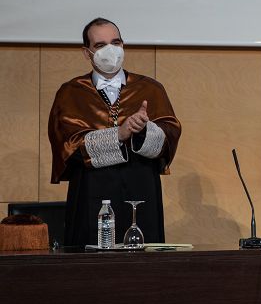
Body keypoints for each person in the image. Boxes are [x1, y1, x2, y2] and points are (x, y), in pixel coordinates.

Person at [48, 18, 181, 246]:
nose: (111, 50)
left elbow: (169, 136)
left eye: (116, 42)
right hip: (91, 192)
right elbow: (67, 145)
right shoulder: (71, 93)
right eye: (100, 45)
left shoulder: (150, 88)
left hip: (141, 190)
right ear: (86, 52)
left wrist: (142, 131)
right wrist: (118, 134)